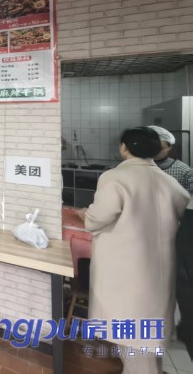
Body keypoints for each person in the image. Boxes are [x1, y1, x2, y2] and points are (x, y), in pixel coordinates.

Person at [78, 127, 189, 374]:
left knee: (135, 342)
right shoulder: (169, 182)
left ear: (124, 148)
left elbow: (97, 218)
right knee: (147, 341)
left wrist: (85, 214)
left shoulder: (115, 178)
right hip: (159, 271)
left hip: (126, 271)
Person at [148, 126, 193, 359]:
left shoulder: (183, 171)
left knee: (171, 283)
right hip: (145, 234)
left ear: (169, 147)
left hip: (174, 235)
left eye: (160, 145)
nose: (156, 149)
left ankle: (172, 328)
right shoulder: (142, 168)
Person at [148, 125, 193, 195]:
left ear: (169, 147)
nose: (156, 151)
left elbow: (190, 197)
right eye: (152, 147)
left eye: (160, 148)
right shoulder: (136, 168)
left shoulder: (184, 171)